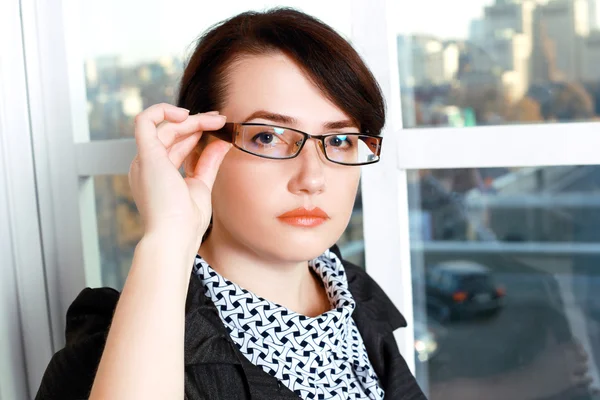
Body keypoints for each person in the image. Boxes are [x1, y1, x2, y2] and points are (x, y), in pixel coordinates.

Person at [35, 8, 426, 400]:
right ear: (197, 145)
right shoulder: (118, 357)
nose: (312, 179)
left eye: (339, 140)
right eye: (267, 137)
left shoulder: (354, 297)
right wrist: (169, 236)